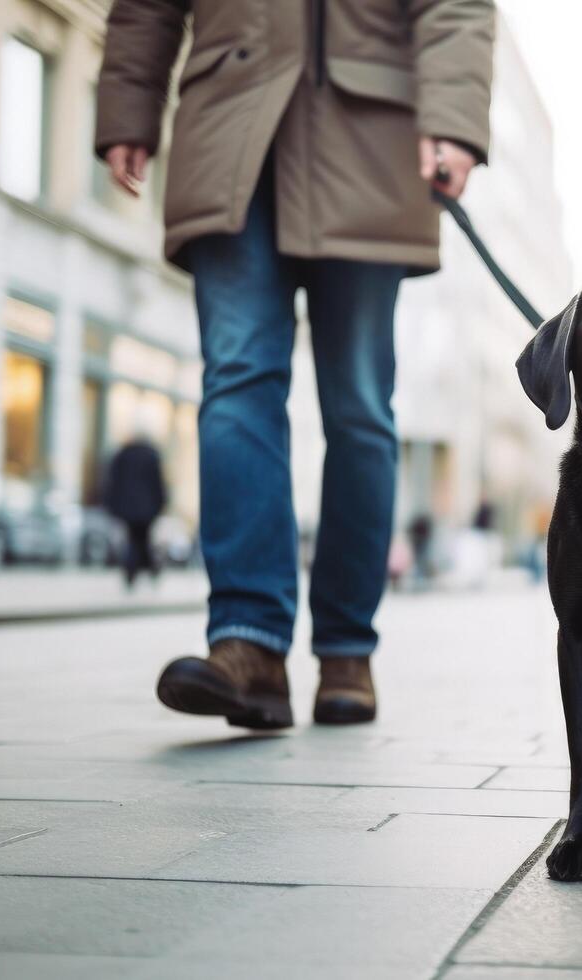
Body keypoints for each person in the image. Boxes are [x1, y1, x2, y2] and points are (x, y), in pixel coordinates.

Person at [96, 0, 497, 728]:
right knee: (237, 382)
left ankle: (346, 650)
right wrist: (128, 104)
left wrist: (454, 117)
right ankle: (247, 644)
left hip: (371, 133)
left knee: (360, 407)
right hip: (231, 128)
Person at [105, 437, 166, 589]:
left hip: (127, 507)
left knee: (134, 539)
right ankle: (149, 570)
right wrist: (161, 504)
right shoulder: (151, 456)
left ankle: (133, 572)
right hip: (147, 508)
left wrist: (112, 505)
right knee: (142, 539)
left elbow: (113, 481)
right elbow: (158, 483)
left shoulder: (122, 455)